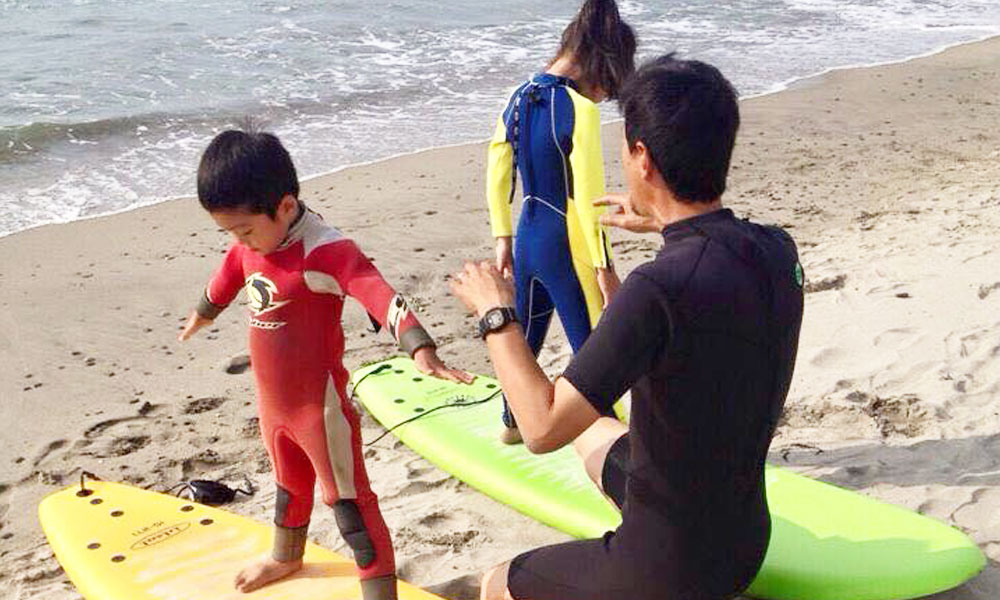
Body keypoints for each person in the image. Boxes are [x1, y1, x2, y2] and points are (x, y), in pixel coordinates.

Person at [453, 55, 805, 600]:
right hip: (745, 542)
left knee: (498, 583)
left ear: (642, 158)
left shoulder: (656, 289)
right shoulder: (779, 251)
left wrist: (495, 316)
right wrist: (661, 219)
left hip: (664, 572)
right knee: (596, 433)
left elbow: (542, 428)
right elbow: (712, 260)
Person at [178, 129, 470, 600]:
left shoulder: (326, 251)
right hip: (273, 406)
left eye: (245, 230)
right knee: (288, 485)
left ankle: (380, 593)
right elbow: (230, 272)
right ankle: (284, 557)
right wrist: (204, 311)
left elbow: (377, 292)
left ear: (286, 207)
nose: (240, 242)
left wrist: (420, 345)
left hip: (321, 410)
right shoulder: (252, 245)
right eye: (229, 232)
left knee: (349, 506)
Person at [485, 0, 636, 443]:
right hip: (567, 246)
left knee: (526, 335)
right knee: (592, 349)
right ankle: (616, 442)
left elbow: (497, 165)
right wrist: (604, 267)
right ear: (600, 63)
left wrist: (502, 235)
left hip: (528, 235)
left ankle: (512, 423)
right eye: (610, 85)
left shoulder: (519, 96)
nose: (605, 96)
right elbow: (589, 197)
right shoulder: (579, 110)